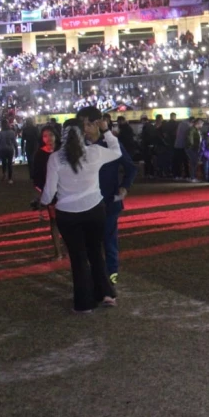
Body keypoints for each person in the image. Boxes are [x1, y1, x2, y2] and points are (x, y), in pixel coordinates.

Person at [40, 115, 123, 313]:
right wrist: (106, 131)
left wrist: (42, 203)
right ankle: (106, 293)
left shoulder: (55, 158)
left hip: (68, 214)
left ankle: (84, 303)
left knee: (78, 258)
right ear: (82, 133)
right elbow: (116, 151)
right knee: (95, 252)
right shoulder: (94, 152)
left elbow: (49, 191)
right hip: (94, 209)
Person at [77, 106, 137, 289]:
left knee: (109, 242)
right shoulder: (78, 147)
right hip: (85, 204)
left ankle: (111, 278)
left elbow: (131, 167)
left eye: (88, 124)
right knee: (89, 245)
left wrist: (125, 186)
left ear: (97, 124)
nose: (85, 129)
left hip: (109, 202)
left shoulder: (111, 145)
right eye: (82, 125)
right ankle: (94, 278)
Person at [32, 126, 64, 260]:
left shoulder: (63, 152)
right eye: (45, 136)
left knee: (68, 221)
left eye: (50, 135)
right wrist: (42, 191)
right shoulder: (40, 154)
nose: (48, 138)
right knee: (54, 222)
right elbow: (37, 175)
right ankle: (58, 252)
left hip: (66, 190)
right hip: (50, 192)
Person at [0, 120, 18, 184]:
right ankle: (10, 178)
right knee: (10, 163)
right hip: (10, 149)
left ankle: (4, 174)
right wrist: (16, 150)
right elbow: (14, 142)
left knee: (4, 163)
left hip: (2, 149)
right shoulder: (12, 132)